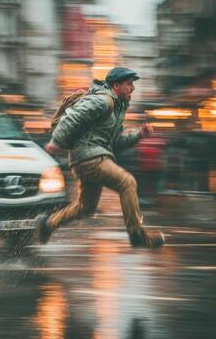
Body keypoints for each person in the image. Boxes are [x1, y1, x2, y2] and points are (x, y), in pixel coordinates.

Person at [39, 67, 165, 248]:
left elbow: (117, 141)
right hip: (90, 157)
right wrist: (56, 142)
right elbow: (73, 117)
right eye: (129, 84)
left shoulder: (116, 107)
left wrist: (139, 134)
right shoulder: (104, 101)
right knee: (127, 182)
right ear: (115, 86)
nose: (132, 88)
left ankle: (48, 224)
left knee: (86, 207)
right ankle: (137, 235)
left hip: (88, 158)